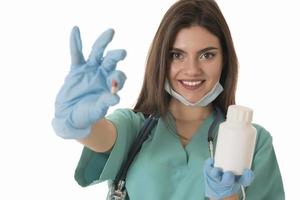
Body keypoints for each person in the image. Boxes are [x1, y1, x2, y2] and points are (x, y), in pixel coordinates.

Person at [52, 0, 285, 199]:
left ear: (225, 60)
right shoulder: (135, 127)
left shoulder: (255, 142)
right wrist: (77, 124)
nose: (192, 69)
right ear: (162, 60)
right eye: (177, 55)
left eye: (207, 55)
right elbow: (101, 136)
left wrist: (228, 196)